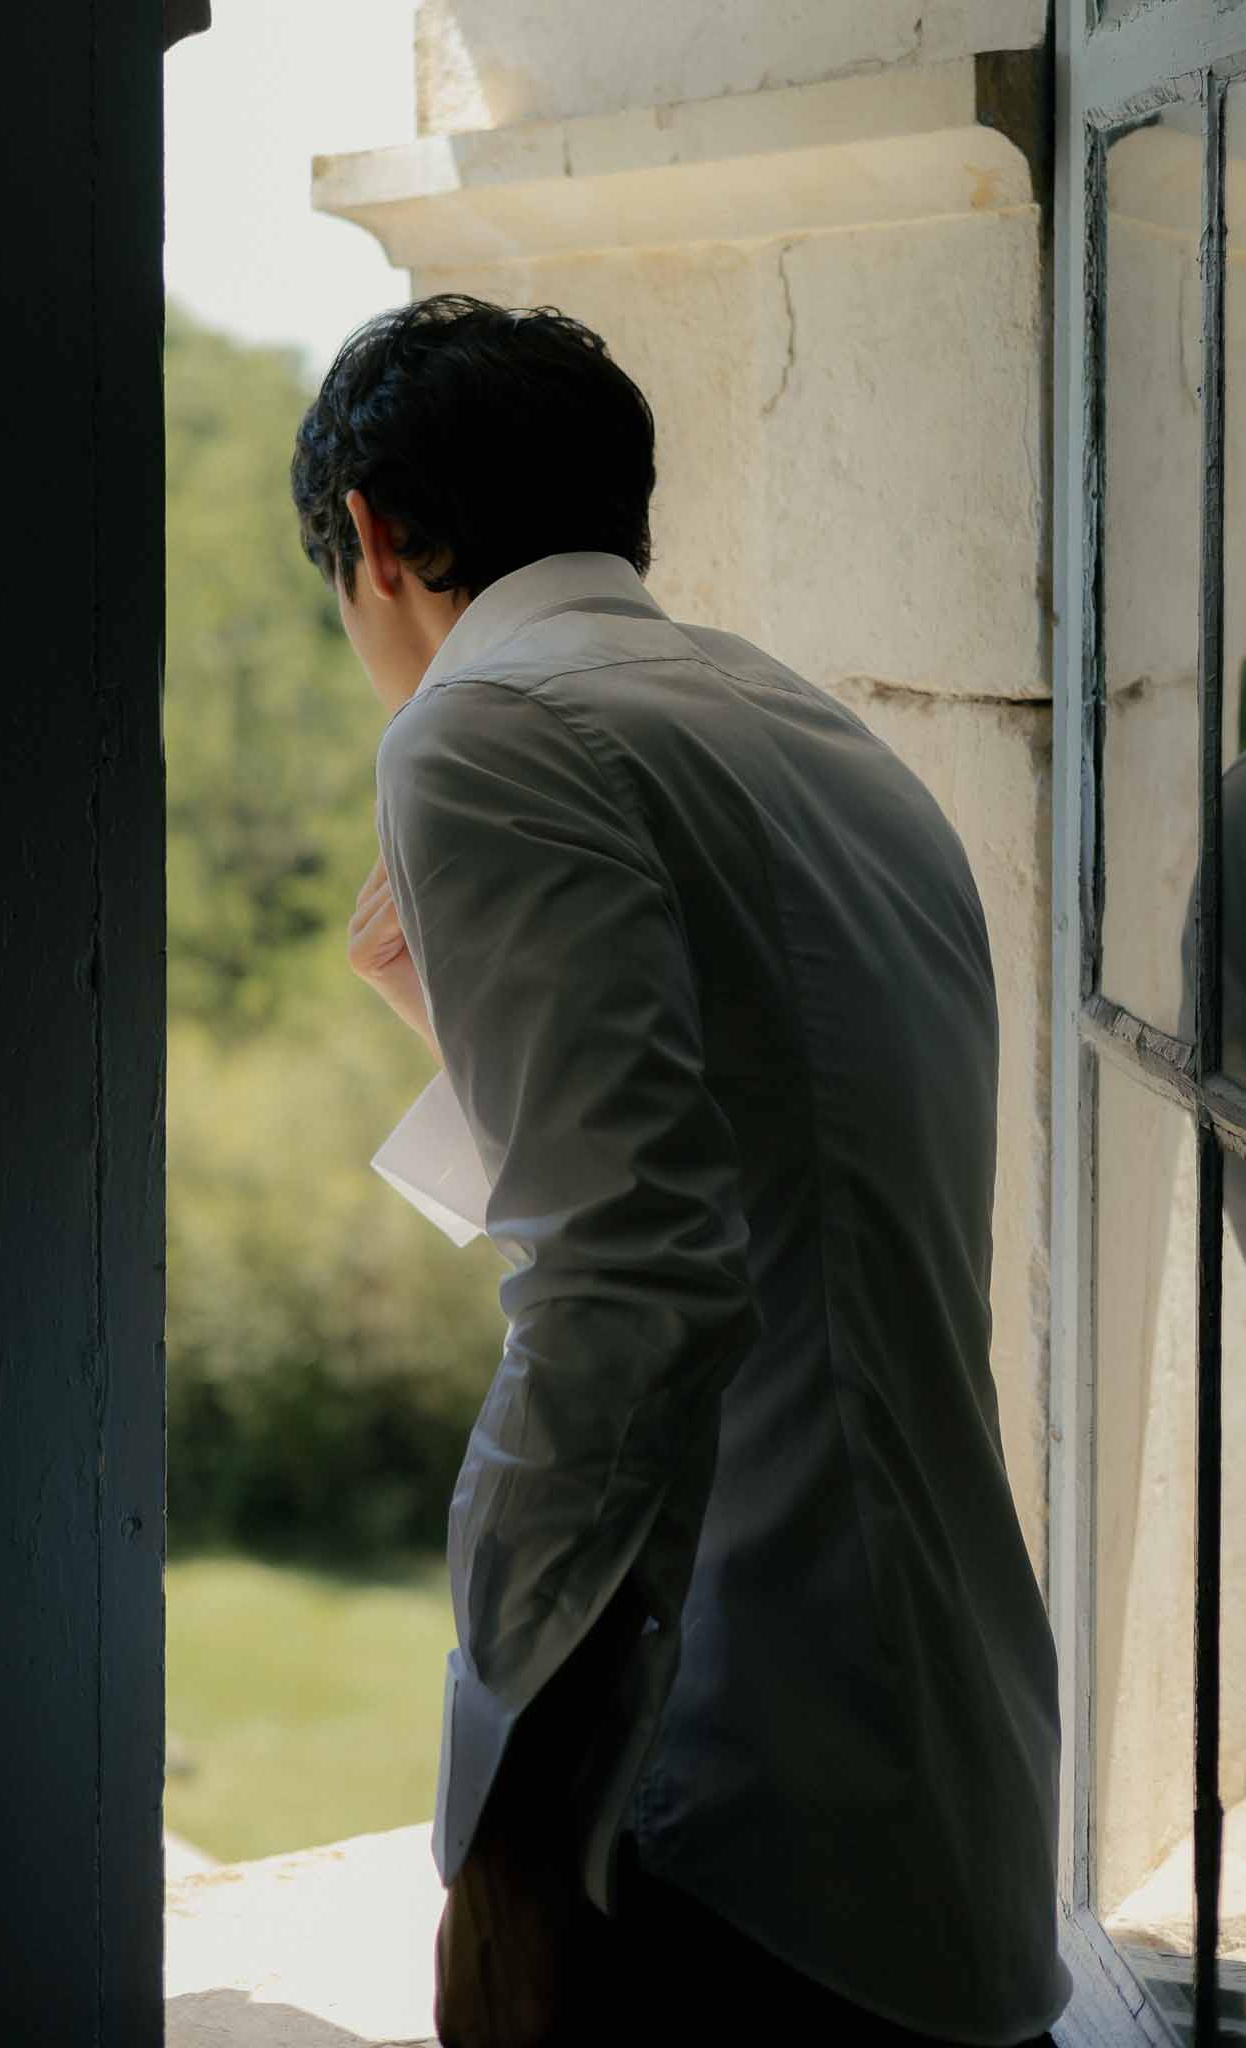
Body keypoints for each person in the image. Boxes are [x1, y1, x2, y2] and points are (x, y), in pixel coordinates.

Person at [291, 292, 1071, 2048]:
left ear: (368, 532)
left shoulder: (482, 728)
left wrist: (502, 1839)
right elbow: (760, 1177)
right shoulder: (817, 735)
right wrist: (456, 1023)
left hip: (733, 1802)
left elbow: (622, 1289)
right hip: (949, 1773)